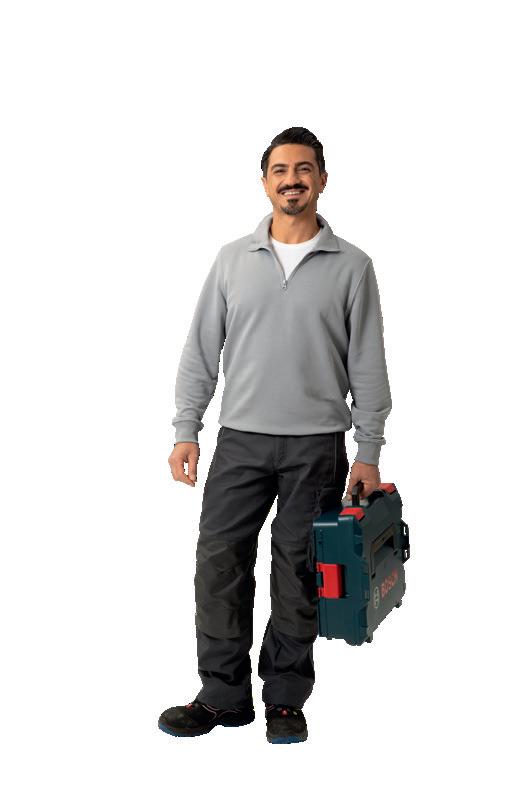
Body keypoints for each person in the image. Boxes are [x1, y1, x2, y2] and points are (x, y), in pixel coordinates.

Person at [158, 127, 392, 744]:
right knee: (219, 563)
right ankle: (222, 697)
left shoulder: (353, 266)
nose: (293, 179)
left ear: (322, 179)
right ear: (265, 182)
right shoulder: (232, 259)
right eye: (281, 170)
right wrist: (186, 429)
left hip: (317, 446)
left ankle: (285, 700)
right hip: (240, 440)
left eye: (304, 168)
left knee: (300, 570)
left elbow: (368, 364)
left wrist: (368, 451)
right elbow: (200, 350)